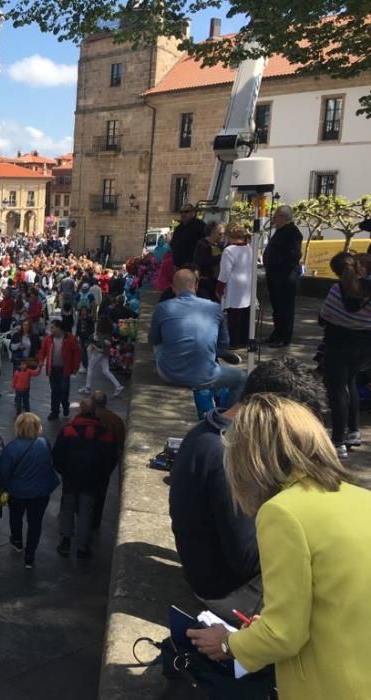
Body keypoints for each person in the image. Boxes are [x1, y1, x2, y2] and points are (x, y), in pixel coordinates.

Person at [186, 394, 371, 700]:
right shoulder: (359, 496)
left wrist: (227, 644)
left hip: (332, 684)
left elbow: (284, 635)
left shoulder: (282, 512)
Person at [169, 356, 326, 622]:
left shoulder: (209, 431)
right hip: (231, 593)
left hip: (209, 575)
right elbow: (246, 561)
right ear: (272, 410)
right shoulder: (233, 455)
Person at [148, 269, 246, 406]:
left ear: (173, 288)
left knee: (159, 342)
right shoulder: (215, 307)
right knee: (242, 378)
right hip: (206, 375)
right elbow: (224, 342)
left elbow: (153, 340)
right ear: (196, 286)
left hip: (170, 374)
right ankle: (227, 417)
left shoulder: (162, 308)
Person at [319, 252, 371, 458]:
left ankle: (338, 440)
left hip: (338, 344)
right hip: (364, 347)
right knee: (350, 384)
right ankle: (354, 431)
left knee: (337, 391)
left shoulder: (336, 290)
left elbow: (324, 317)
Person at [53, 399, 116, 560]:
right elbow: (111, 458)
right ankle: (82, 547)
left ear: (80, 411)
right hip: (92, 480)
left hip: (71, 477)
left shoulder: (68, 431)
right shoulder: (106, 434)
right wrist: (103, 475)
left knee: (68, 508)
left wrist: (62, 470)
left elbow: (57, 454)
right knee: (86, 512)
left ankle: (65, 541)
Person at [0, 413, 58, 568]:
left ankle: (17, 540)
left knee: (15, 517)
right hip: (40, 492)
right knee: (35, 523)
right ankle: (30, 555)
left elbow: (4, 472)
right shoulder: (44, 443)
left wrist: (2, 488)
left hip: (17, 492)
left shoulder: (12, 448)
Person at [263, 205, 303, 348]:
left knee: (285, 308)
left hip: (285, 277)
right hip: (275, 276)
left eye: (275, 217)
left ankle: (284, 337)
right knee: (277, 308)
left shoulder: (292, 232)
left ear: (283, 217)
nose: (273, 220)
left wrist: (277, 263)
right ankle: (276, 334)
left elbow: (294, 255)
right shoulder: (280, 231)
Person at [90, 390, 125, 529]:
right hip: (107, 461)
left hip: (90, 459)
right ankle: (95, 521)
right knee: (101, 490)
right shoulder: (115, 419)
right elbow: (121, 442)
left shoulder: (90, 417)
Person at [217, 224, 253, 349]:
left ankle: (234, 342)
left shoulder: (229, 250)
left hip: (234, 285)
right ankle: (244, 339)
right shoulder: (249, 248)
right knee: (245, 313)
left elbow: (224, 272)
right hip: (247, 284)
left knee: (234, 315)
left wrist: (219, 287)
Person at [38, 317, 82, 420]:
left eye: (53, 327)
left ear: (59, 328)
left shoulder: (70, 338)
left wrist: (75, 367)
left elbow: (77, 353)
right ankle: (54, 411)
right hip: (52, 369)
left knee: (64, 390)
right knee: (54, 391)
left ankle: (65, 405)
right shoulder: (48, 339)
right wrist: (40, 360)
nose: (51, 329)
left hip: (64, 369)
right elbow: (42, 351)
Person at [79, 316, 124, 398]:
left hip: (98, 353)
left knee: (90, 368)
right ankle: (118, 386)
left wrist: (93, 346)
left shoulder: (99, 334)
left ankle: (87, 387)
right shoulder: (108, 334)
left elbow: (98, 344)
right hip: (105, 353)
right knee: (106, 370)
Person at [193, 221, 224, 301]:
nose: (222, 236)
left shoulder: (219, 245)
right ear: (213, 233)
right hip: (205, 281)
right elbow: (204, 261)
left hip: (215, 281)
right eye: (220, 234)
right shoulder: (202, 245)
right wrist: (221, 256)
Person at [169, 203, 207, 268]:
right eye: (181, 212)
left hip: (192, 265)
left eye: (186, 211)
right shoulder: (179, 228)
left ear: (193, 213)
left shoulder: (200, 226)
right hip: (179, 265)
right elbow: (173, 243)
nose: (183, 214)